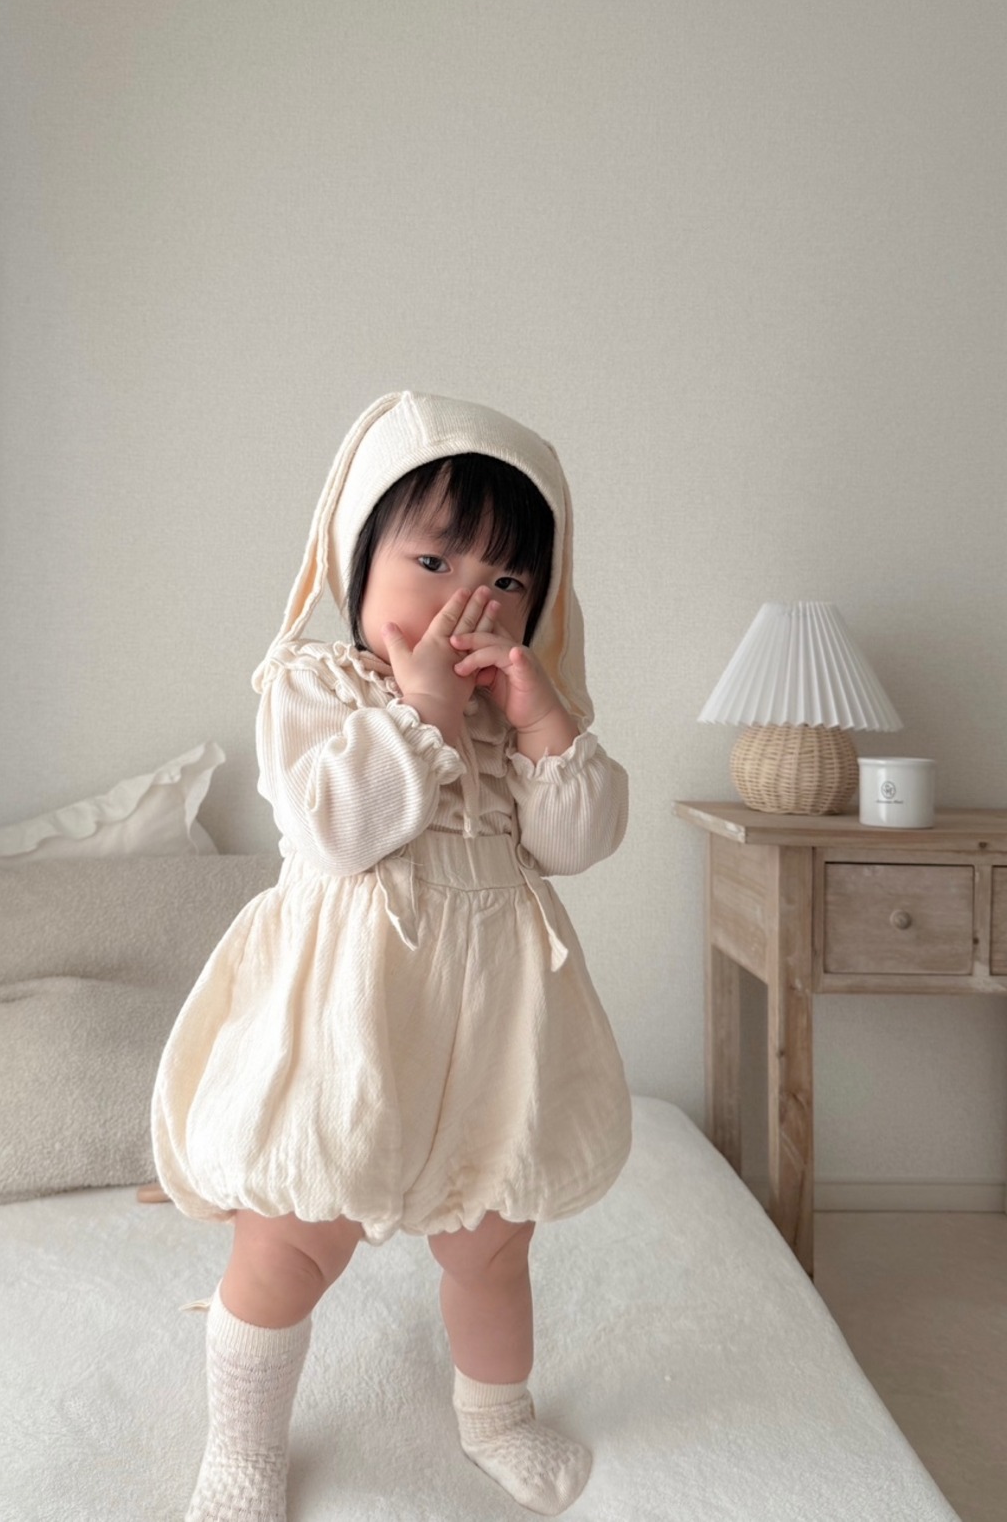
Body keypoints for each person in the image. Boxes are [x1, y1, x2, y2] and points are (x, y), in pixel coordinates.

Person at [151, 390, 632, 1522]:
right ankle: (242, 1448)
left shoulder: (517, 714)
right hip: (347, 1021)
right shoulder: (315, 687)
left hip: (491, 1026)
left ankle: (496, 1416)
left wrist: (546, 723)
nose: (470, 598)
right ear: (355, 560)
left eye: (507, 578)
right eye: (431, 561)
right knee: (290, 1242)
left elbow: (578, 841)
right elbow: (336, 829)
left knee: (492, 1242)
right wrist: (417, 710)